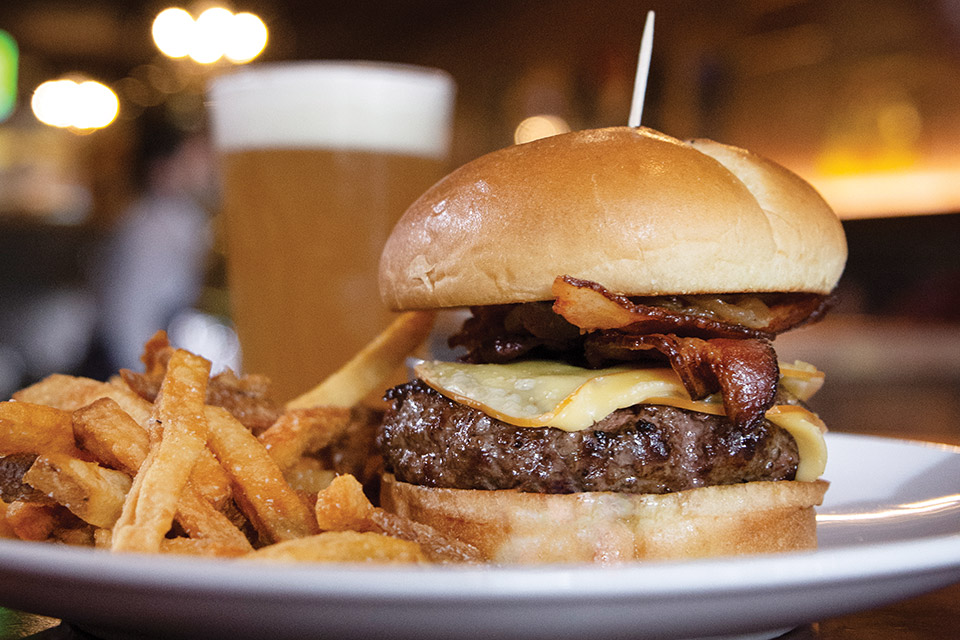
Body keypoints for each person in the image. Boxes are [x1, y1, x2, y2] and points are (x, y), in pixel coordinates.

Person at [93, 109, 214, 372]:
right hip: (131, 377)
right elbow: (129, 324)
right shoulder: (150, 231)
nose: (210, 162)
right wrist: (156, 387)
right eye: (194, 153)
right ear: (162, 168)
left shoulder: (188, 219)